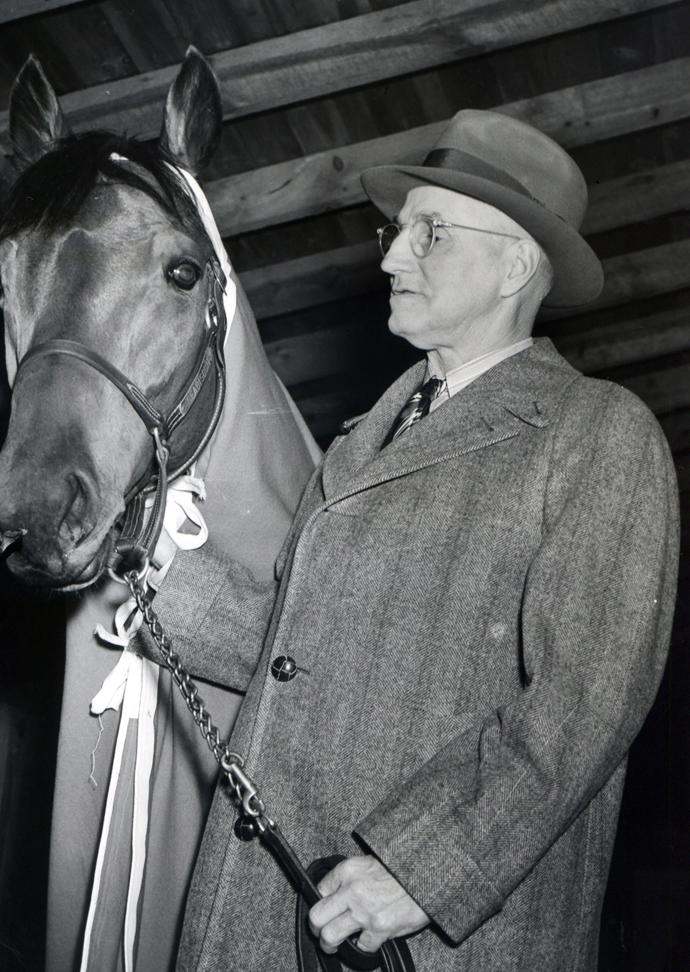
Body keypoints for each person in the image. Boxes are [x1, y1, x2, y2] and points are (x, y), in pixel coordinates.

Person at [146, 109, 680, 971]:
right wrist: (162, 573)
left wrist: (421, 872)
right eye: (397, 231)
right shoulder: (360, 442)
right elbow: (301, 656)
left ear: (514, 264)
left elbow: (589, 698)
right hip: (268, 906)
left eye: (427, 232)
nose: (391, 255)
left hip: (424, 940)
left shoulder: (596, 433)